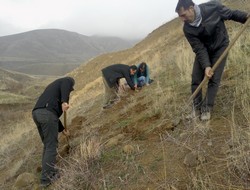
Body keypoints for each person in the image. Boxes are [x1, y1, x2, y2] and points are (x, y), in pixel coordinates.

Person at [175, 0, 249, 121]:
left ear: (191, 8)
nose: (182, 19)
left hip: (220, 47)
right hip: (204, 51)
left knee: (214, 79)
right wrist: (207, 66)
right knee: (196, 79)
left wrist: (245, 17)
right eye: (180, 16)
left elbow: (231, 14)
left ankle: (206, 108)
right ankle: (196, 108)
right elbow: (198, 48)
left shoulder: (213, 7)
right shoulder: (187, 29)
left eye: (183, 15)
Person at [32, 77, 75, 187]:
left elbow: (53, 116)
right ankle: (46, 179)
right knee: (51, 146)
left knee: (47, 145)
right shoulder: (67, 81)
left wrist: (62, 130)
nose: (70, 90)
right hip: (46, 114)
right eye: (71, 89)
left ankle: (47, 170)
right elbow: (50, 115)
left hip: (37, 113)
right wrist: (65, 101)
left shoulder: (52, 89)